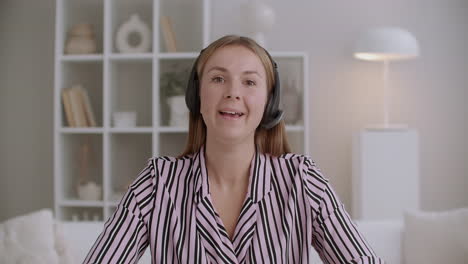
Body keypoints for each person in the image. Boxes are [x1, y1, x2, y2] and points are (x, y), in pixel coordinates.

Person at [84, 35, 384, 263]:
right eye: (218, 78)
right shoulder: (157, 182)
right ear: (196, 96)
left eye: (249, 82)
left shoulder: (302, 180)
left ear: (269, 102)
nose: (232, 92)